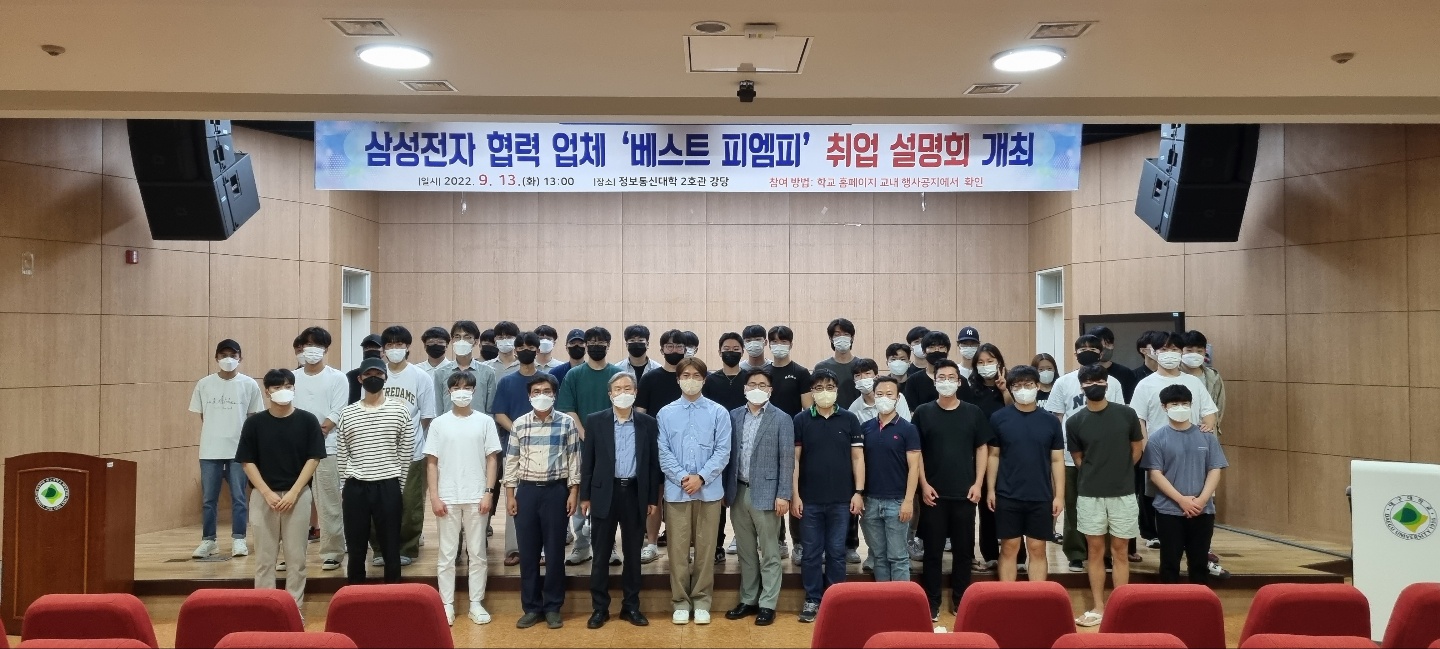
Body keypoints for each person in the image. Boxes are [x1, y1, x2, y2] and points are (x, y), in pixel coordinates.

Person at [1129, 331, 1221, 566]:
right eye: (1164, 349)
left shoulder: (1194, 382)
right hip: (1161, 457)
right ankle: (1166, 546)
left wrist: (1207, 429)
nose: (1169, 354)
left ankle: (1200, 552)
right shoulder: (1145, 385)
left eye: (1174, 349)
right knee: (1165, 506)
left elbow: (1209, 413)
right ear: (1153, 352)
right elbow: (1139, 420)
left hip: (1194, 456)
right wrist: (1148, 452)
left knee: (1197, 502)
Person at [236, 368, 325, 608]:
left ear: (294, 388)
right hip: (263, 496)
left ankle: (294, 610)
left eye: (287, 386)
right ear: (267, 392)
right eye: (276, 387)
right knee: (264, 560)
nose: (283, 391)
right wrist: (266, 492)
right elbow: (247, 461)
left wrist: (294, 492)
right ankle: (265, 610)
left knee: (297, 559)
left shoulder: (307, 420)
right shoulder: (254, 423)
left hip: (298, 495)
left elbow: (314, 458)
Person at [580, 373, 661, 629]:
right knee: (601, 554)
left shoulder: (648, 423)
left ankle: (631, 606)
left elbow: (652, 464)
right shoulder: (595, 421)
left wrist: (652, 498)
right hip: (604, 493)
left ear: (635, 393)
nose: (622, 392)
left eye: (628, 388)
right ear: (610, 394)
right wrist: (585, 496)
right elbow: (588, 461)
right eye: (617, 389)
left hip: (635, 493)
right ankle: (599, 609)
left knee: (633, 555)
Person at [1068, 364, 1145, 628]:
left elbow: (1137, 449)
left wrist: (1119, 471)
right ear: (1081, 386)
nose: (1094, 385)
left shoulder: (1127, 414)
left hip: (1123, 493)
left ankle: (1120, 606)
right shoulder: (1074, 421)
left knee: (1120, 550)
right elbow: (1078, 459)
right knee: (1095, 550)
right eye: (1089, 381)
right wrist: (1098, 473)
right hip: (1090, 494)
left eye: (1099, 380)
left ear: (1107, 383)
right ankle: (1099, 606)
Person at [913, 360, 992, 621]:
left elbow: (982, 448)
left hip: (965, 494)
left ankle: (961, 601)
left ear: (959, 382)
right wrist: (923, 484)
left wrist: (978, 483)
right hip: (933, 495)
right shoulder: (923, 412)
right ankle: (932, 602)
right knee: (932, 552)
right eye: (941, 377)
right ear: (934, 381)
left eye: (951, 377)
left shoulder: (973, 412)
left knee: (964, 551)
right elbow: (916, 452)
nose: (946, 381)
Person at [656, 357, 730, 625]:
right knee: (677, 550)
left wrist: (701, 477)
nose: (691, 380)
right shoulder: (665, 413)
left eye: (696, 375)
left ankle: (701, 600)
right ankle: (679, 601)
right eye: (685, 375)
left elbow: (723, 451)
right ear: (678, 379)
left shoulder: (718, 413)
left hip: (709, 492)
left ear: (704, 379)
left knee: (706, 549)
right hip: (677, 492)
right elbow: (663, 451)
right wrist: (681, 477)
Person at [425, 370, 502, 626]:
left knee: (477, 553)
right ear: (449, 392)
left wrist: (488, 493)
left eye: (467, 388)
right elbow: (432, 463)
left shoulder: (485, 422)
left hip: (476, 496)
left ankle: (476, 603)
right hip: (447, 497)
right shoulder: (439, 424)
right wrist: (434, 496)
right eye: (457, 387)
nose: (462, 392)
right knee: (447, 554)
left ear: (474, 391)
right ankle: (446, 604)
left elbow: (492, 459)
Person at [504, 373, 580, 630]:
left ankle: (553, 607)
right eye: (536, 392)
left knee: (556, 552)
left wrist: (573, 492)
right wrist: (510, 495)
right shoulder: (520, 424)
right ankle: (531, 607)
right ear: (529, 395)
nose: (541, 396)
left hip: (556, 492)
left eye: (546, 391)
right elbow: (512, 461)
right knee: (528, 554)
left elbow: (574, 460)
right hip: (526, 492)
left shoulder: (567, 423)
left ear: (554, 394)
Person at [1045, 335, 1126, 573]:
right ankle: (1076, 554)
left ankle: (1106, 555)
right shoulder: (1063, 382)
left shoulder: (1113, 383)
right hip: (1070, 457)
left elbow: (1119, 416)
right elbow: (1056, 419)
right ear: (1075, 353)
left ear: (1101, 353)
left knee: (1106, 508)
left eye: (1092, 348)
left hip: (1104, 458)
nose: (1087, 352)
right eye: (1082, 349)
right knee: (1073, 507)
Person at [792, 368, 866, 623]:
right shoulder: (801, 420)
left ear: (837, 390)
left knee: (836, 551)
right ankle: (812, 599)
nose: (825, 392)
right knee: (811, 553)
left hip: (841, 500)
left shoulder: (849, 419)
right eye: (819, 388)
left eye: (830, 387)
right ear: (812, 392)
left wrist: (858, 492)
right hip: (809, 500)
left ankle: (836, 600)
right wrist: (795, 495)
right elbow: (795, 460)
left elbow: (858, 458)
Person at [722, 368, 794, 627]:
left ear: (770, 390)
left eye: (763, 385)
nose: (757, 388)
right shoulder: (733, 416)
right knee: (745, 551)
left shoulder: (781, 418)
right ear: (744, 388)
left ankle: (768, 603)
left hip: (768, 493)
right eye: (752, 384)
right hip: (738, 490)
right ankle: (748, 599)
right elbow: (728, 455)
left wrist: (783, 494)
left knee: (770, 552)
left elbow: (787, 459)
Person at [1139, 384, 1228, 585]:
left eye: (1185, 403)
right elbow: (1155, 474)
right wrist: (1181, 500)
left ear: (1191, 405)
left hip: (1203, 510)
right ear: (1164, 407)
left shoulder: (1207, 436)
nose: (1180, 407)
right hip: (1168, 511)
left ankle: (1199, 602)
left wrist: (1202, 500)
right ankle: (1169, 602)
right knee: (1169, 563)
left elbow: (1215, 469)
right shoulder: (1157, 439)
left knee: (1199, 563)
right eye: (1174, 404)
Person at [336, 357, 414, 584]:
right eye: (368, 375)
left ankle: (393, 593)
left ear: (385, 378)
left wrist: (398, 486)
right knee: (356, 547)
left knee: (391, 546)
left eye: (378, 374)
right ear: (360, 379)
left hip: (388, 484)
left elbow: (406, 452)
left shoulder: (400, 411)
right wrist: (344, 485)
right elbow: (342, 453)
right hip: (355, 486)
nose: (373, 378)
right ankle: (355, 593)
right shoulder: (347, 413)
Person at [985, 365, 1064, 582]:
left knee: (1037, 547)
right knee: (1009, 547)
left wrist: (1059, 495)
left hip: (1041, 495)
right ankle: (1007, 597)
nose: (1023, 389)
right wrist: (990, 489)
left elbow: (1057, 460)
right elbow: (993, 455)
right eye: (1017, 385)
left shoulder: (1050, 421)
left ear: (1037, 386)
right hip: (1007, 494)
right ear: (1010, 389)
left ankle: (1037, 597)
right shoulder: (999, 418)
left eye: (1028, 384)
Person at [190, 338, 265, 559]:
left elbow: (253, 418)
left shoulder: (249, 384)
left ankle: (239, 539)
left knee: (239, 497)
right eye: (223, 355)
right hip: (210, 450)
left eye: (233, 355)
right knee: (208, 499)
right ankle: (209, 541)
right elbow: (203, 416)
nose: (228, 359)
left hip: (238, 452)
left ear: (240, 357)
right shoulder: (204, 384)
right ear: (216, 358)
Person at [556, 327, 622, 566]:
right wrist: (586, 435)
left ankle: (609, 545)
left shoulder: (617, 375)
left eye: (601, 341)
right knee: (580, 494)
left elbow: (622, 408)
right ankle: (581, 546)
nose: (596, 345)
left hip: (612, 446)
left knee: (608, 497)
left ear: (608, 344)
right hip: (580, 445)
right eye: (591, 341)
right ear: (585, 344)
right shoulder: (574, 375)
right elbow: (568, 408)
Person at [376, 325, 437, 567]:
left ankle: (407, 548)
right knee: (380, 503)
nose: (394, 349)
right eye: (389, 345)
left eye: (399, 344)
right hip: (379, 451)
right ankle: (380, 548)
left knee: (411, 504)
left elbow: (427, 416)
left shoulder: (421, 377)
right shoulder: (376, 374)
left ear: (408, 347)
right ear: (383, 349)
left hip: (412, 451)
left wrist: (410, 437)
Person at [492, 331, 553, 566]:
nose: (526, 350)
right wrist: (519, 432)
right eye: (521, 347)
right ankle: (514, 548)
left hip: (545, 445)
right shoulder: (506, 381)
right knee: (514, 497)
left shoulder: (547, 380)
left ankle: (543, 550)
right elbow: (499, 413)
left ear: (537, 350)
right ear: (516, 351)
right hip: (514, 446)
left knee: (545, 500)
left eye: (531, 347)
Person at [290, 327, 348, 572]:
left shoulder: (337, 378)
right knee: (291, 504)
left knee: (329, 503)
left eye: (318, 345)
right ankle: (291, 555)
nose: (312, 349)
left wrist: (317, 432)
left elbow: (337, 411)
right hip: (295, 451)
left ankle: (333, 552)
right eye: (308, 344)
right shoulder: (292, 378)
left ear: (326, 349)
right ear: (301, 347)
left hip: (328, 448)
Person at [859, 376, 919, 583]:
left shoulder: (908, 429)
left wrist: (908, 501)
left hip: (897, 501)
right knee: (879, 557)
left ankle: (902, 600)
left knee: (898, 557)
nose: (884, 398)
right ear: (874, 397)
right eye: (879, 394)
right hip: (870, 502)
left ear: (898, 398)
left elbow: (914, 467)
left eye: (889, 394)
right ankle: (883, 599)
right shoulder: (865, 428)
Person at [634, 330, 687, 565]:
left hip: (684, 449)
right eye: (669, 346)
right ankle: (652, 544)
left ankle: (681, 546)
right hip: (655, 448)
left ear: (685, 349)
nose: (674, 350)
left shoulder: (690, 378)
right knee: (654, 498)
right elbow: (640, 414)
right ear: (662, 349)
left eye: (679, 346)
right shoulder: (649, 379)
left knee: (681, 499)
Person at [765, 325, 812, 564]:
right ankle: (779, 539)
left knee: (795, 491)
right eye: (774, 341)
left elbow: (808, 409)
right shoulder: (763, 372)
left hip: (794, 441)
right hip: (768, 439)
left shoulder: (801, 373)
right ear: (768, 344)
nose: (778, 345)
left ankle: (799, 542)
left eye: (783, 341)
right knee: (774, 490)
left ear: (791, 344)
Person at [969, 343, 1015, 572]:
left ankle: (1016, 555)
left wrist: (1005, 390)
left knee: (1008, 506)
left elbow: (1015, 413)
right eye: (981, 362)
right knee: (985, 508)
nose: (985, 366)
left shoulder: (1011, 387)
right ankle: (990, 554)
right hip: (980, 454)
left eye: (990, 361)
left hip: (1007, 455)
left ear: (999, 363)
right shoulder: (970, 390)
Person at [433, 320, 500, 417]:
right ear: (452, 341)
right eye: (457, 337)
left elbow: (490, 410)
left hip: (478, 425)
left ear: (475, 342)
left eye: (467, 337)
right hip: (449, 425)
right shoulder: (440, 373)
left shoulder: (487, 372)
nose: (461, 341)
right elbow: (439, 408)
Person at [1180, 331, 1226, 436]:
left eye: (1199, 351)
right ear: (1181, 351)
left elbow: (1220, 405)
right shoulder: (1173, 374)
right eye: (1189, 350)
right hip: (1180, 430)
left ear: (1205, 352)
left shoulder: (1213, 376)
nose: (1194, 354)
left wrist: (1213, 425)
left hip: (1207, 431)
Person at [850, 358, 913, 423]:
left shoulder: (896, 398)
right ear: (854, 381)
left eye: (867, 373)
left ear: (876, 377)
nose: (863, 378)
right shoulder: (854, 408)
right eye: (858, 375)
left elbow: (906, 425)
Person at [815, 318, 861, 407]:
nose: (842, 338)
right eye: (837, 335)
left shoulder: (862, 366)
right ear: (831, 339)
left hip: (858, 413)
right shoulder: (821, 367)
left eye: (846, 334)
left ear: (852, 338)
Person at [1087, 326, 1139, 403]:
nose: (1104, 348)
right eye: (1100, 345)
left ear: (1113, 345)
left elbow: (1130, 403)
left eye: (1108, 344)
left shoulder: (1125, 373)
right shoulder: (1083, 373)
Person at [904, 330, 950, 409]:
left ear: (947, 351)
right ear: (924, 351)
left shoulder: (958, 379)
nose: (936, 350)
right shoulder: (913, 381)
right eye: (932, 347)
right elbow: (911, 410)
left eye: (941, 347)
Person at [703, 332, 748, 412]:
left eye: (736, 349)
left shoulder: (749, 379)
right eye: (726, 349)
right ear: (720, 352)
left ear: (742, 353)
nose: (731, 352)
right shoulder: (710, 380)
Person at [345, 334, 384, 404]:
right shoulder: (351, 376)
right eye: (367, 347)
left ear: (383, 352)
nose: (371, 350)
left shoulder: (387, 374)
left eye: (375, 347)